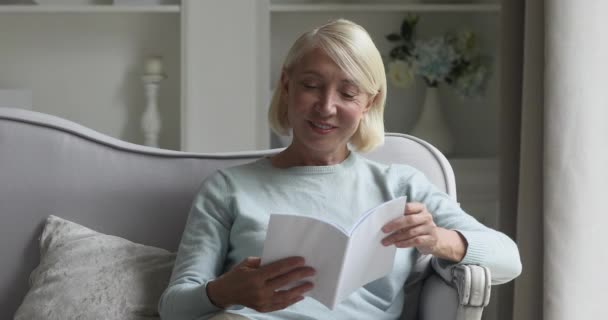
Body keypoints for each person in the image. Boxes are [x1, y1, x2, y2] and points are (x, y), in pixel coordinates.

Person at [158, 19, 521, 320]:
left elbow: (509, 259)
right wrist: (222, 292)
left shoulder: (401, 186)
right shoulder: (228, 188)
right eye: (311, 86)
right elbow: (173, 306)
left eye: (348, 94)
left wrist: (438, 239)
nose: (326, 106)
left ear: (369, 102)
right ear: (286, 85)